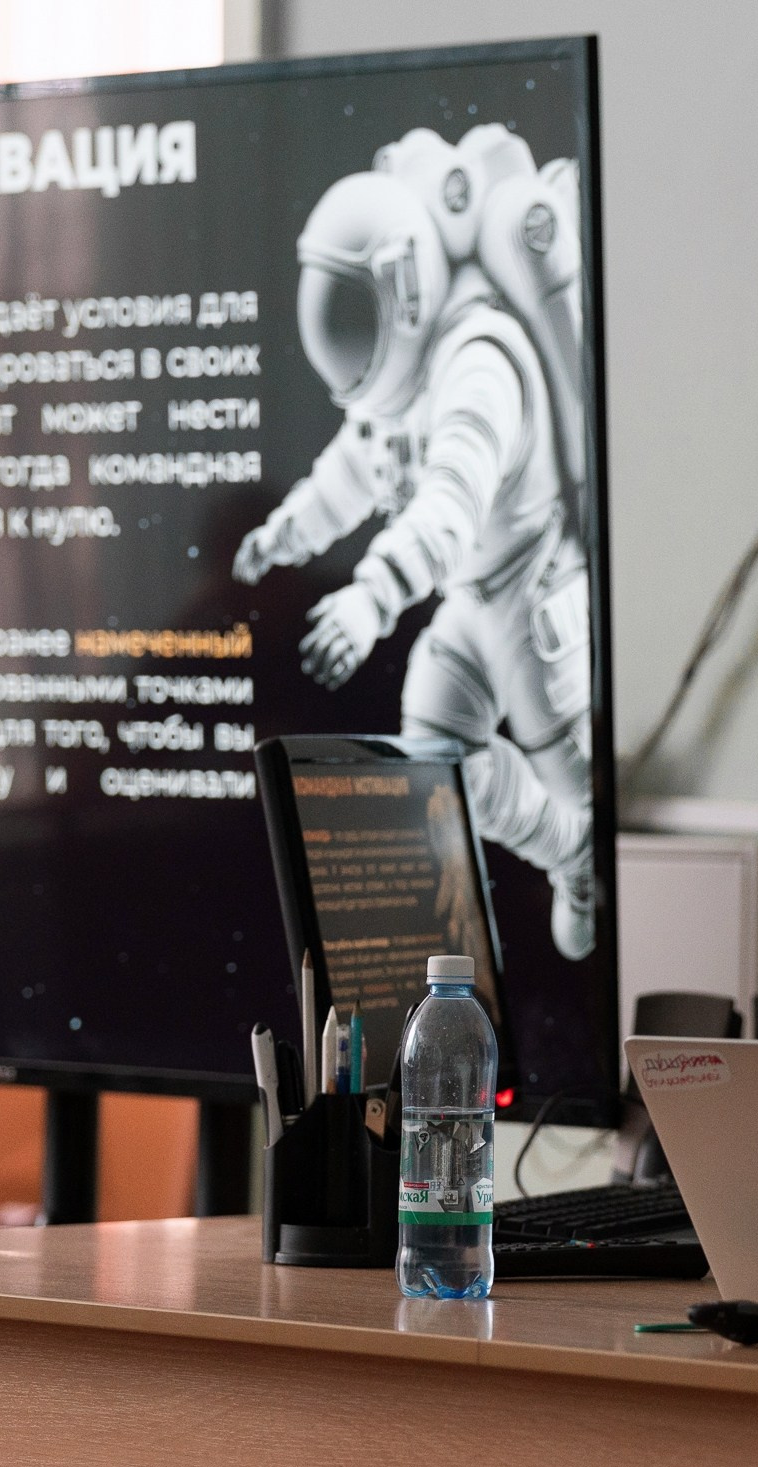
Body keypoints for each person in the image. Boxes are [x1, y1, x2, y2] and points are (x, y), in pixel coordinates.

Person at [232, 126, 598, 960]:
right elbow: (354, 469)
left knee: (584, 788)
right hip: (473, 601)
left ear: (401, 288)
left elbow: (449, 506)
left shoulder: (480, 363)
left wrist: (371, 597)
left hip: (531, 591)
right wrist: (285, 534)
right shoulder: (404, 381)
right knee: (437, 762)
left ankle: (590, 860)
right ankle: (569, 856)